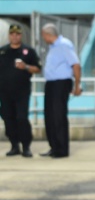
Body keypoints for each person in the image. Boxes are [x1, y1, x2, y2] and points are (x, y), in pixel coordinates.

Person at [40, 24, 81, 158]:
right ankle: (54, 146)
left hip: (61, 83)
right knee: (49, 116)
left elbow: (75, 65)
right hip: (51, 83)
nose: (43, 38)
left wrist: (77, 85)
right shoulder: (52, 47)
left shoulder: (64, 45)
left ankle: (62, 149)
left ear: (48, 34)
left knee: (58, 115)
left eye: (43, 36)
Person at [0, 24, 41, 157]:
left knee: (22, 118)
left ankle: (26, 146)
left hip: (22, 92)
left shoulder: (28, 51)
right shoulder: (2, 51)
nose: (15, 37)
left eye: (17, 34)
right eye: (12, 34)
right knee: (8, 118)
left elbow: (38, 69)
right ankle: (14, 145)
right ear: (9, 35)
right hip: (5, 93)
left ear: (21, 35)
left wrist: (26, 67)